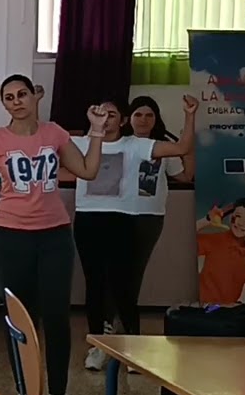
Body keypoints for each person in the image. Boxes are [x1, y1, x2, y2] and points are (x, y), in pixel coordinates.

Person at [0, 75, 106, 395]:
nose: (16, 101)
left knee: (56, 316)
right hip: (10, 235)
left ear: (36, 96)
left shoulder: (55, 134)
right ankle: (24, 393)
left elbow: (87, 170)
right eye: (9, 97)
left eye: (22, 94)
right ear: (3, 103)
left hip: (55, 235)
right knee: (20, 319)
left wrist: (95, 131)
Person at [74, 96, 195, 371]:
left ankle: (132, 345)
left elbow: (182, 147)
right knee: (94, 284)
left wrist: (189, 115)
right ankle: (97, 345)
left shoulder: (136, 144)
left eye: (112, 115)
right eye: (100, 114)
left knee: (123, 285)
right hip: (87, 219)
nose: (106, 119)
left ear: (123, 120)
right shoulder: (82, 144)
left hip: (122, 220)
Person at [197, 199, 245, 305]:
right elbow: (183, 241)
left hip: (228, 310)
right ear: (230, 218)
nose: (241, 223)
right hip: (206, 308)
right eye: (238, 216)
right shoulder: (215, 240)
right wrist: (206, 220)